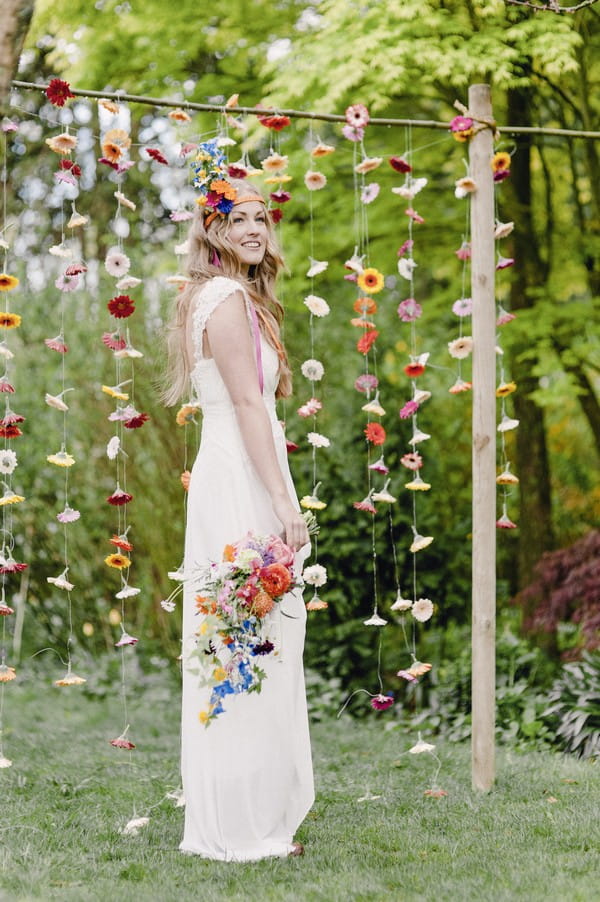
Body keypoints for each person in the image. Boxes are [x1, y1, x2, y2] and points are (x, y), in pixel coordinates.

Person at [164, 159, 314, 861]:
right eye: (238, 219)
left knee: (249, 637)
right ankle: (236, 824)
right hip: (239, 476)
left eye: (262, 217)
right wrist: (285, 503)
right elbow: (251, 406)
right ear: (213, 228)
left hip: (243, 465)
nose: (254, 229)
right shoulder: (223, 298)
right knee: (240, 637)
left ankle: (248, 811)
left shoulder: (224, 295)